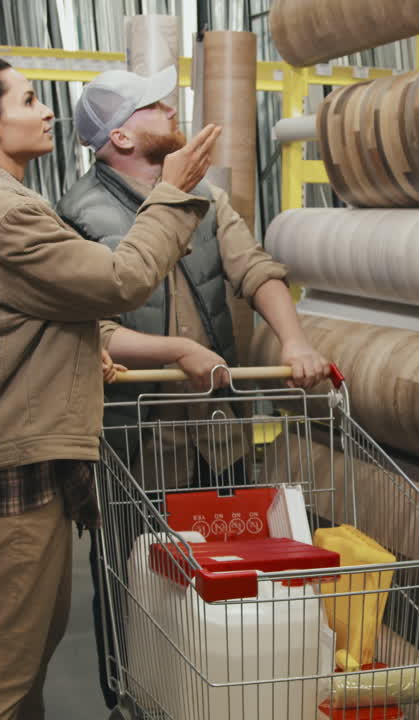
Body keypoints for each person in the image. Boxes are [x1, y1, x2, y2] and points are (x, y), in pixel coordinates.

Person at [0, 57, 224, 720]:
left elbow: (40, 322)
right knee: (6, 675)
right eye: (28, 100)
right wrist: (172, 194)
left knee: (26, 657)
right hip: (11, 461)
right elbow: (118, 283)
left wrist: (82, 358)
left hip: (24, 456)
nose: (46, 110)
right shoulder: (3, 217)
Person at [55, 68, 330, 711]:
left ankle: (216, 700)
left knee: (227, 576)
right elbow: (91, 332)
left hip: (218, 432)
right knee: (135, 578)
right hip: (138, 441)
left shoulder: (203, 194)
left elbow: (253, 267)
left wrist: (293, 341)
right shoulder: (78, 215)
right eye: (152, 105)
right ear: (120, 135)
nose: (169, 107)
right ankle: (133, 696)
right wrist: (175, 352)